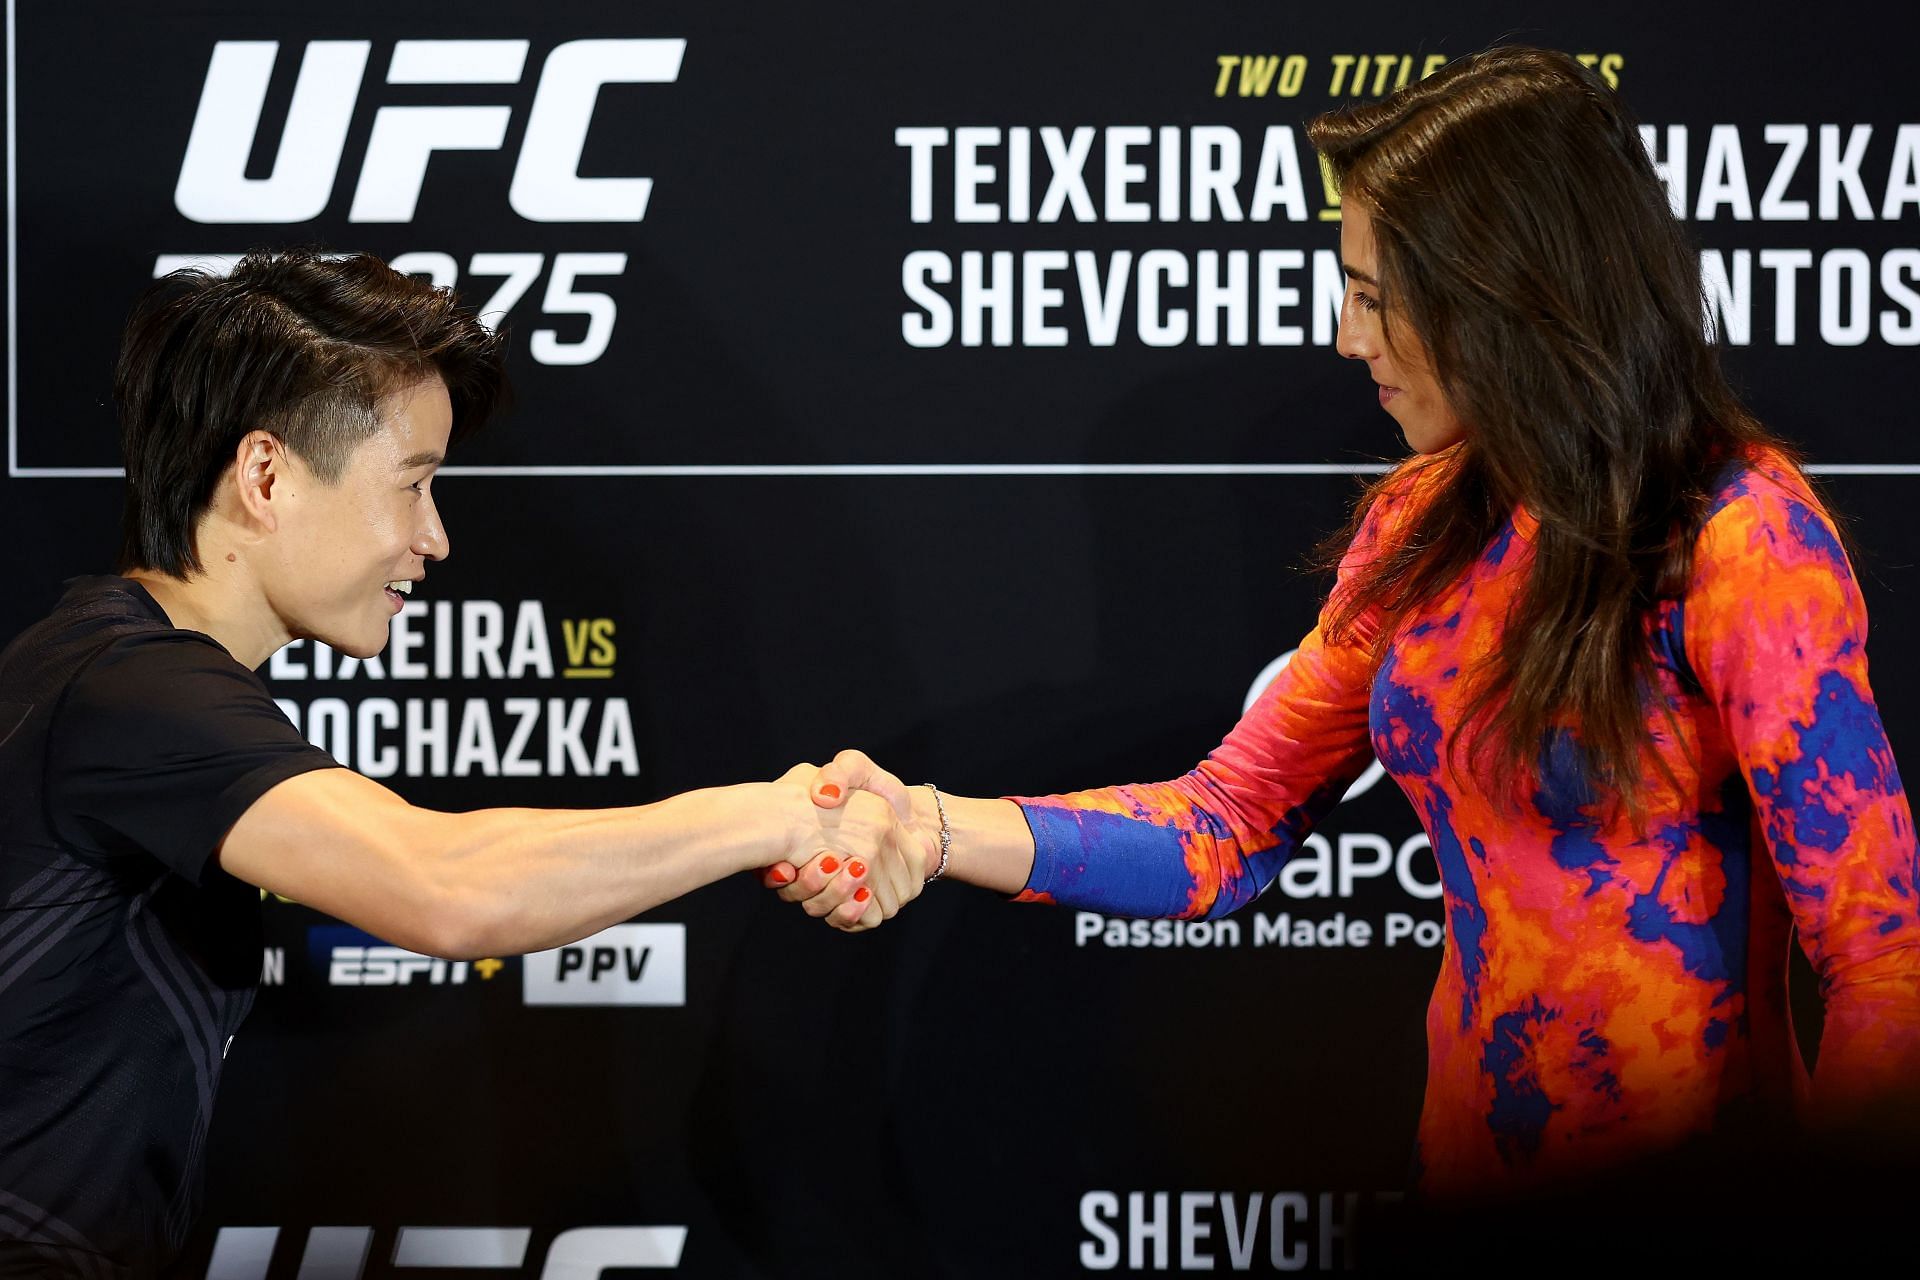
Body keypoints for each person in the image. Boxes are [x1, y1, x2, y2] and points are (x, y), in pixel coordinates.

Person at [770, 46, 1920, 1224]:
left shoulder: (1741, 538)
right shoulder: (1421, 522)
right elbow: (1224, 826)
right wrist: (931, 822)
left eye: (1374, 293)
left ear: (1505, 292)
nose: (1344, 334)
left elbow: (1882, 959)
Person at [0, 250, 925, 1278]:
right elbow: (448, 887)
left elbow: (457, 864)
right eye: (414, 483)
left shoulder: (120, 674)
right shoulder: (128, 689)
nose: (434, 537)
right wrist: (782, 814)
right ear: (265, 476)